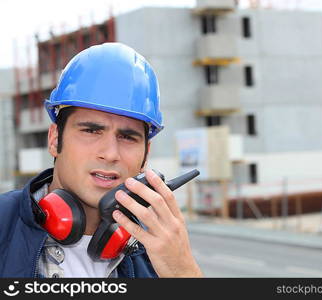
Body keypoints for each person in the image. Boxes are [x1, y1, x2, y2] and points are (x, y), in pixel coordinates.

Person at [0, 42, 203, 278]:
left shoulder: (160, 253)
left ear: (146, 154)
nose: (110, 153)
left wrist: (184, 272)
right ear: (55, 139)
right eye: (91, 131)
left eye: (127, 137)